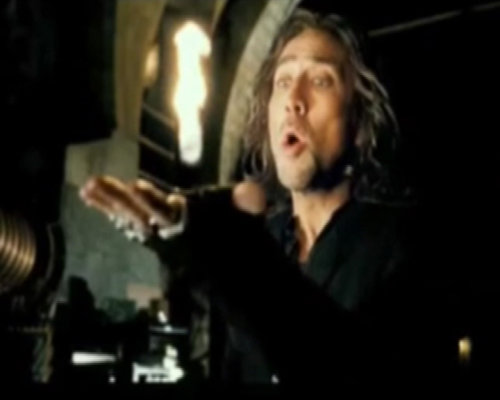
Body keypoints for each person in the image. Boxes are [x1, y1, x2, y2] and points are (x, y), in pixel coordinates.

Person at [80, 9, 452, 385]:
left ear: (359, 122)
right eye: (283, 81)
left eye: (320, 80)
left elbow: (344, 361)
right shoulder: (269, 235)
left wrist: (224, 250)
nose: (293, 99)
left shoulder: (407, 245)